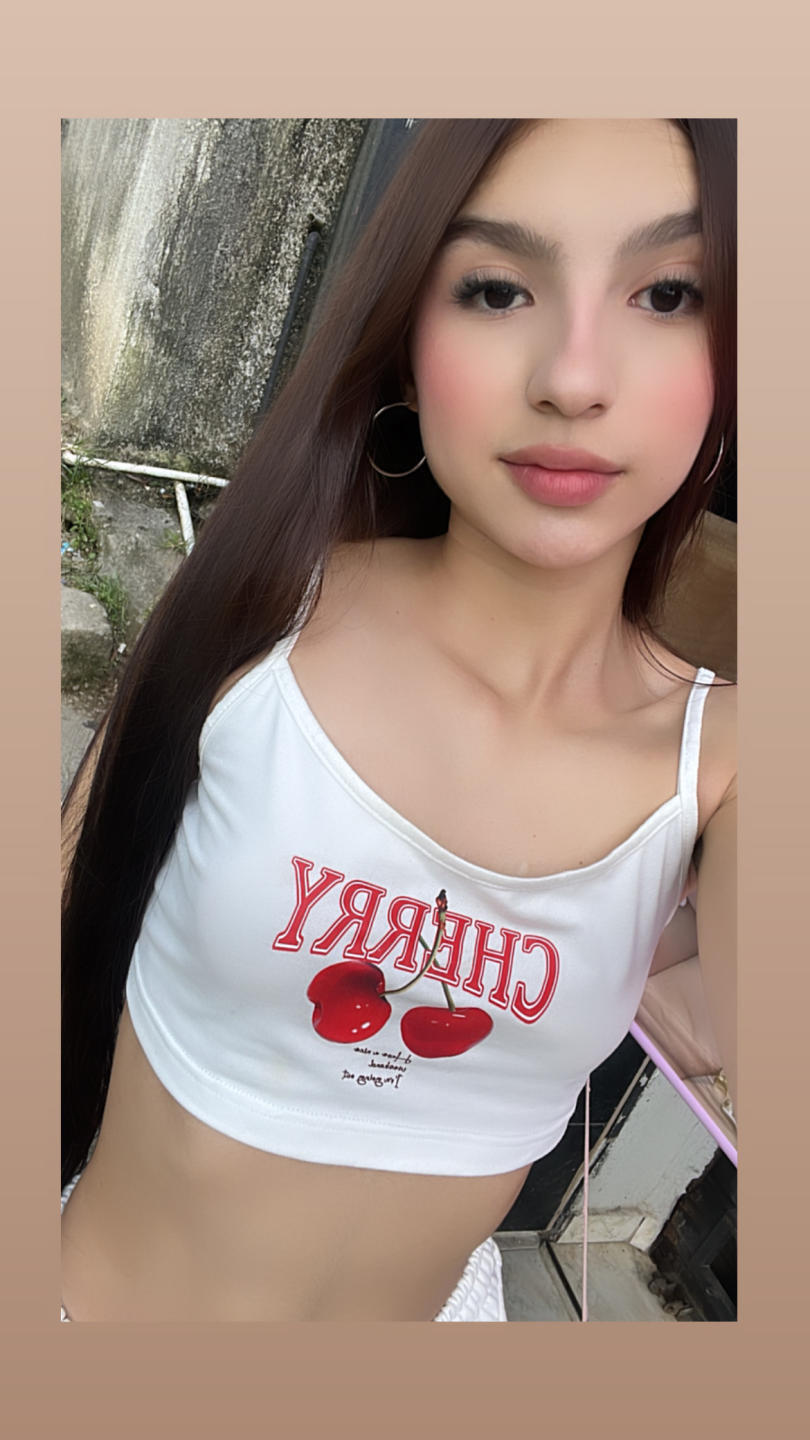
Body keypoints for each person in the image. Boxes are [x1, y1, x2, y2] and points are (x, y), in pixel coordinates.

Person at [61, 117, 737, 1322]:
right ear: (409, 341)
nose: (574, 378)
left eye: (668, 293)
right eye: (498, 288)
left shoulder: (727, 760)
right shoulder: (264, 609)